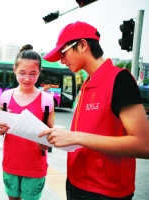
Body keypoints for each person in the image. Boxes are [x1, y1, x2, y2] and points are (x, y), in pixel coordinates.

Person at [39, 21, 149, 199]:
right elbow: (91, 134)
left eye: (63, 52)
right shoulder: (87, 84)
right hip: (76, 183)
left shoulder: (119, 80)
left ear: (82, 45)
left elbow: (144, 145)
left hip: (105, 191)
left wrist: (76, 137)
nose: (61, 59)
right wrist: (59, 139)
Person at [0, 44, 54, 200]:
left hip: (35, 164)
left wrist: (47, 142)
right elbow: (3, 126)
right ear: (14, 70)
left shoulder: (46, 100)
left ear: (40, 72)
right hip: (11, 162)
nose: (27, 79)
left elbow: (51, 134)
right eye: (22, 73)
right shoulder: (6, 97)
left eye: (33, 74)